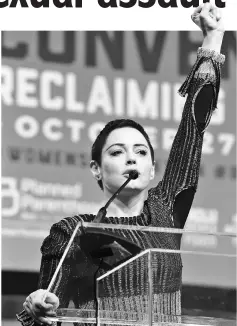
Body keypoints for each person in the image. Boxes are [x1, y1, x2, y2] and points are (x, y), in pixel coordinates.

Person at [17, 3, 225, 326]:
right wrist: (36, 307)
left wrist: (213, 41)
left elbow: (192, 132)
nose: (131, 157)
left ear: (153, 170)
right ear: (96, 169)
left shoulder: (164, 212)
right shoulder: (71, 232)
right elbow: (49, 304)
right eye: (117, 152)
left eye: (141, 152)